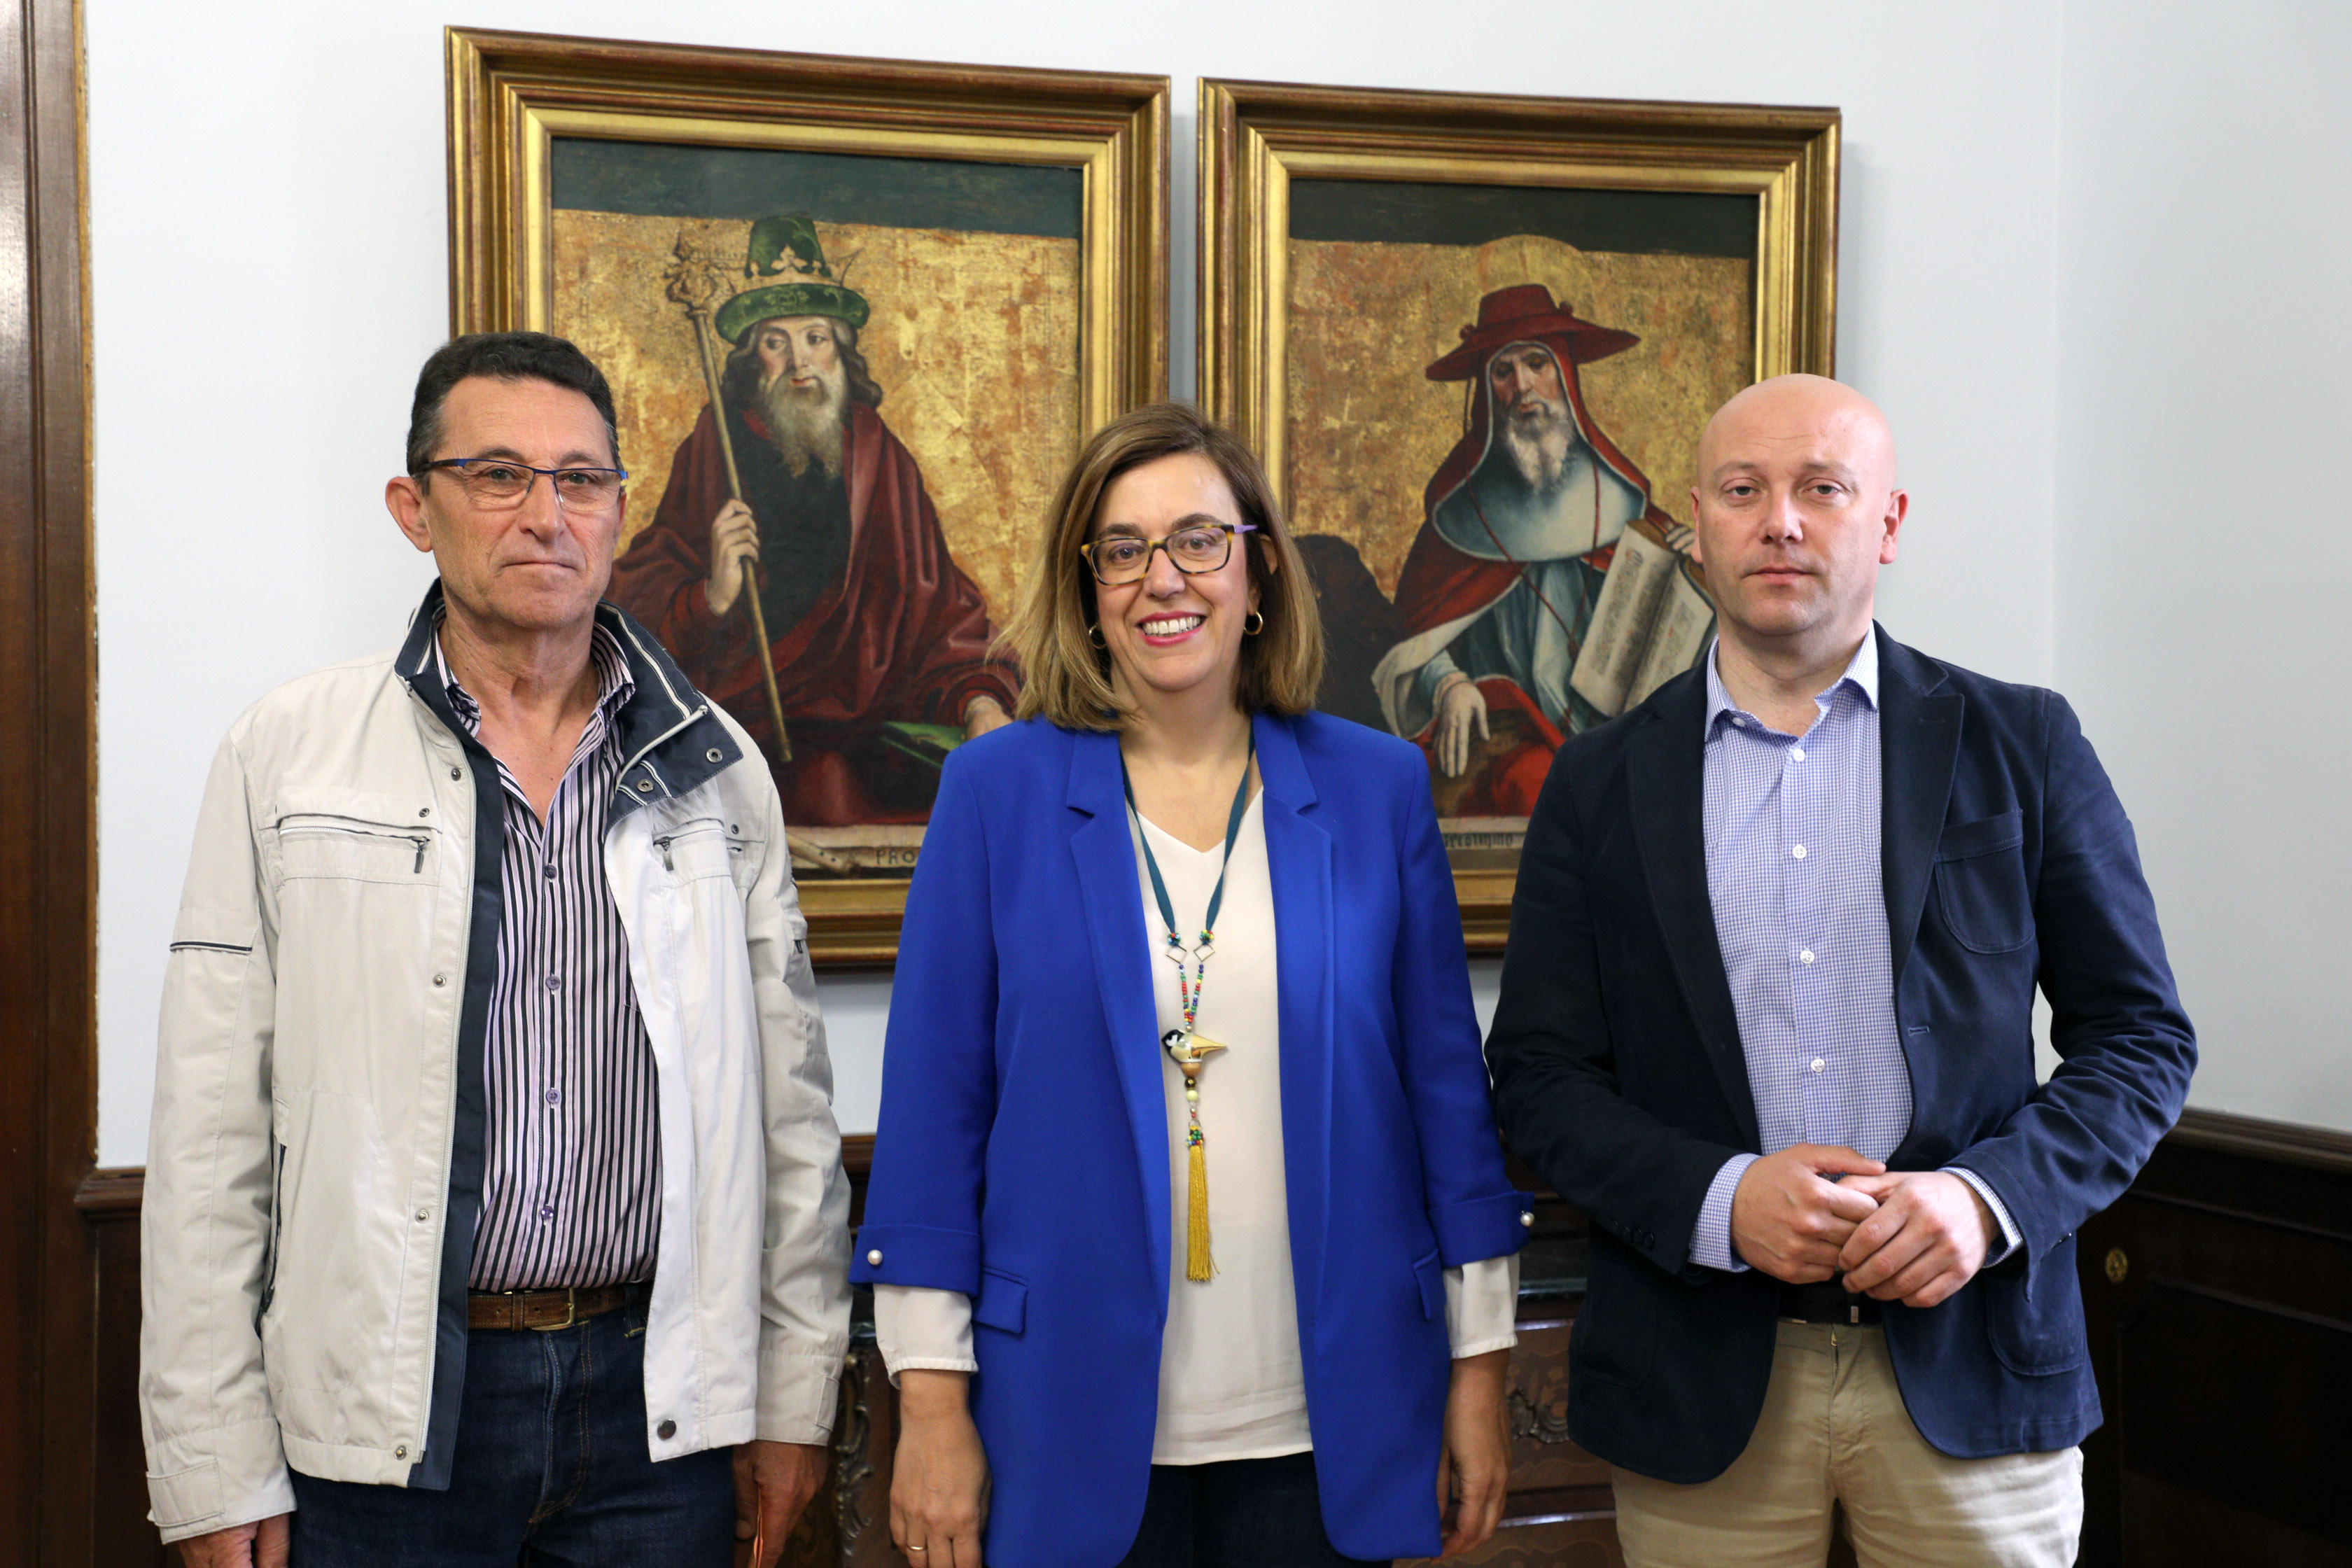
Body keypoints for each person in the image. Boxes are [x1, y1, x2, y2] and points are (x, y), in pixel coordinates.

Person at [139, 332, 851, 1567]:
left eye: (580, 480)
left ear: (619, 511)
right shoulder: (287, 756)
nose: (545, 515)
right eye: (499, 476)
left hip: (659, 1414)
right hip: (390, 1419)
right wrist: (210, 1461)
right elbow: (210, 1139)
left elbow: (790, 1121)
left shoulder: (718, 769)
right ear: (415, 509)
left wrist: (793, 1401)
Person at [1485, 374, 2197, 1567]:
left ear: (1889, 521)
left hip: (1977, 1372)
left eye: (1822, 488)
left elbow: (2141, 1043)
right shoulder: (1598, 781)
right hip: (1699, 1383)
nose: (1781, 522)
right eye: (1742, 491)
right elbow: (1540, 1079)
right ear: (1697, 525)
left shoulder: (2023, 744)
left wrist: (1985, 1201)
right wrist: (1721, 1199)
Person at [850, 402, 1534, 1567]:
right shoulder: (995, 793)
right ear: (1087, 587)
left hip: (1335, 1419)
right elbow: (932, 1119)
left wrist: (1478, 1374)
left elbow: (1447, 1108)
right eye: (1122, 549)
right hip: (1061, 1418)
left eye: (1199, 541)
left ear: (1257, 568)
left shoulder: (1374, 788)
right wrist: (929, 1405)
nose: (1161, 579)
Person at [607, 215, 1017, 828]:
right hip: (742, 728)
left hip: (866, 734)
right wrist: (710, 598)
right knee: (812, 791)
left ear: (840, 350)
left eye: (816, 338)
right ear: (755, 359)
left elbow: (938, 607)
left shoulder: (879, 458)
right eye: (777, 342)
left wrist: (979, 701)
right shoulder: (717, 447)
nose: (800, 361)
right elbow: (636, 604)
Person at [1370, 285, 1688, 815]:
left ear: (1565, 375)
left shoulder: (1628, 513)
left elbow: (1682, 639)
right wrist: (1448, 684)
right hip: (1514, 742)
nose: (1522, 386)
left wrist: (1697, 568)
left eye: (1537, 363)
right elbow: (1413, 645)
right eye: (1503, 371)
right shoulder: (1456, 526)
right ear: (1486, 393)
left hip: (1623, 744)